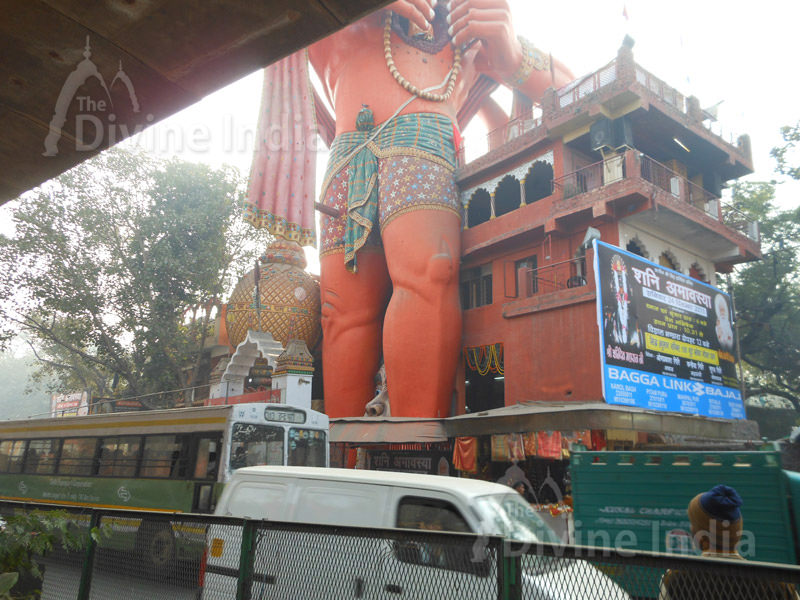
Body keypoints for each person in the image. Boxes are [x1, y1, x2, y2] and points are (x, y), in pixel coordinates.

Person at [308, 0, 573, 419]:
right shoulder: (333, 23)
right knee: (341, 312)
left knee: (428, 274)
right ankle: (343, 454)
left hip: (426, 139)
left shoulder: (466, 32)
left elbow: (576, 87)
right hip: (347, 152)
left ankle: (413, 450)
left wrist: (512, 56)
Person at [659, 485, 797, 600]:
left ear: (701, 537)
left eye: (693, 525)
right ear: (737, 534)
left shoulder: (674, 580)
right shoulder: (778, 584)